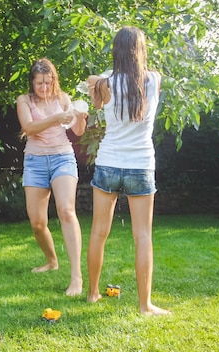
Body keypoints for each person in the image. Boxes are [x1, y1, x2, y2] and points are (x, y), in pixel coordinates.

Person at [85, 26, 171, 316]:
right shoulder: (155, 80)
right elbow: (144, 76)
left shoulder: (104, 83)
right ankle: (145, 305)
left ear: (116, 51)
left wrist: (94, 85)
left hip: (108, 162)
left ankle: (93, 293)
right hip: (141, 164)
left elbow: (95, 104)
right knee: (143, 236)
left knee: (98, 232)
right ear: (141, 51)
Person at [16, 58, 88, 296]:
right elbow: (28, 127)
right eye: (39, 84)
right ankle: (51, 261)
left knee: (67, 211)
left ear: (54, 81)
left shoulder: (63, 98)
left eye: (48, 83)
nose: (44, 88)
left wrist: (80, 116)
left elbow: (77, 132)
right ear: (32, 83)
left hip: (62, 158)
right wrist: (57, 118)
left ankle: (76, 277)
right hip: (35, 162)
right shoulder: (24, 101)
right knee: (37, 223)